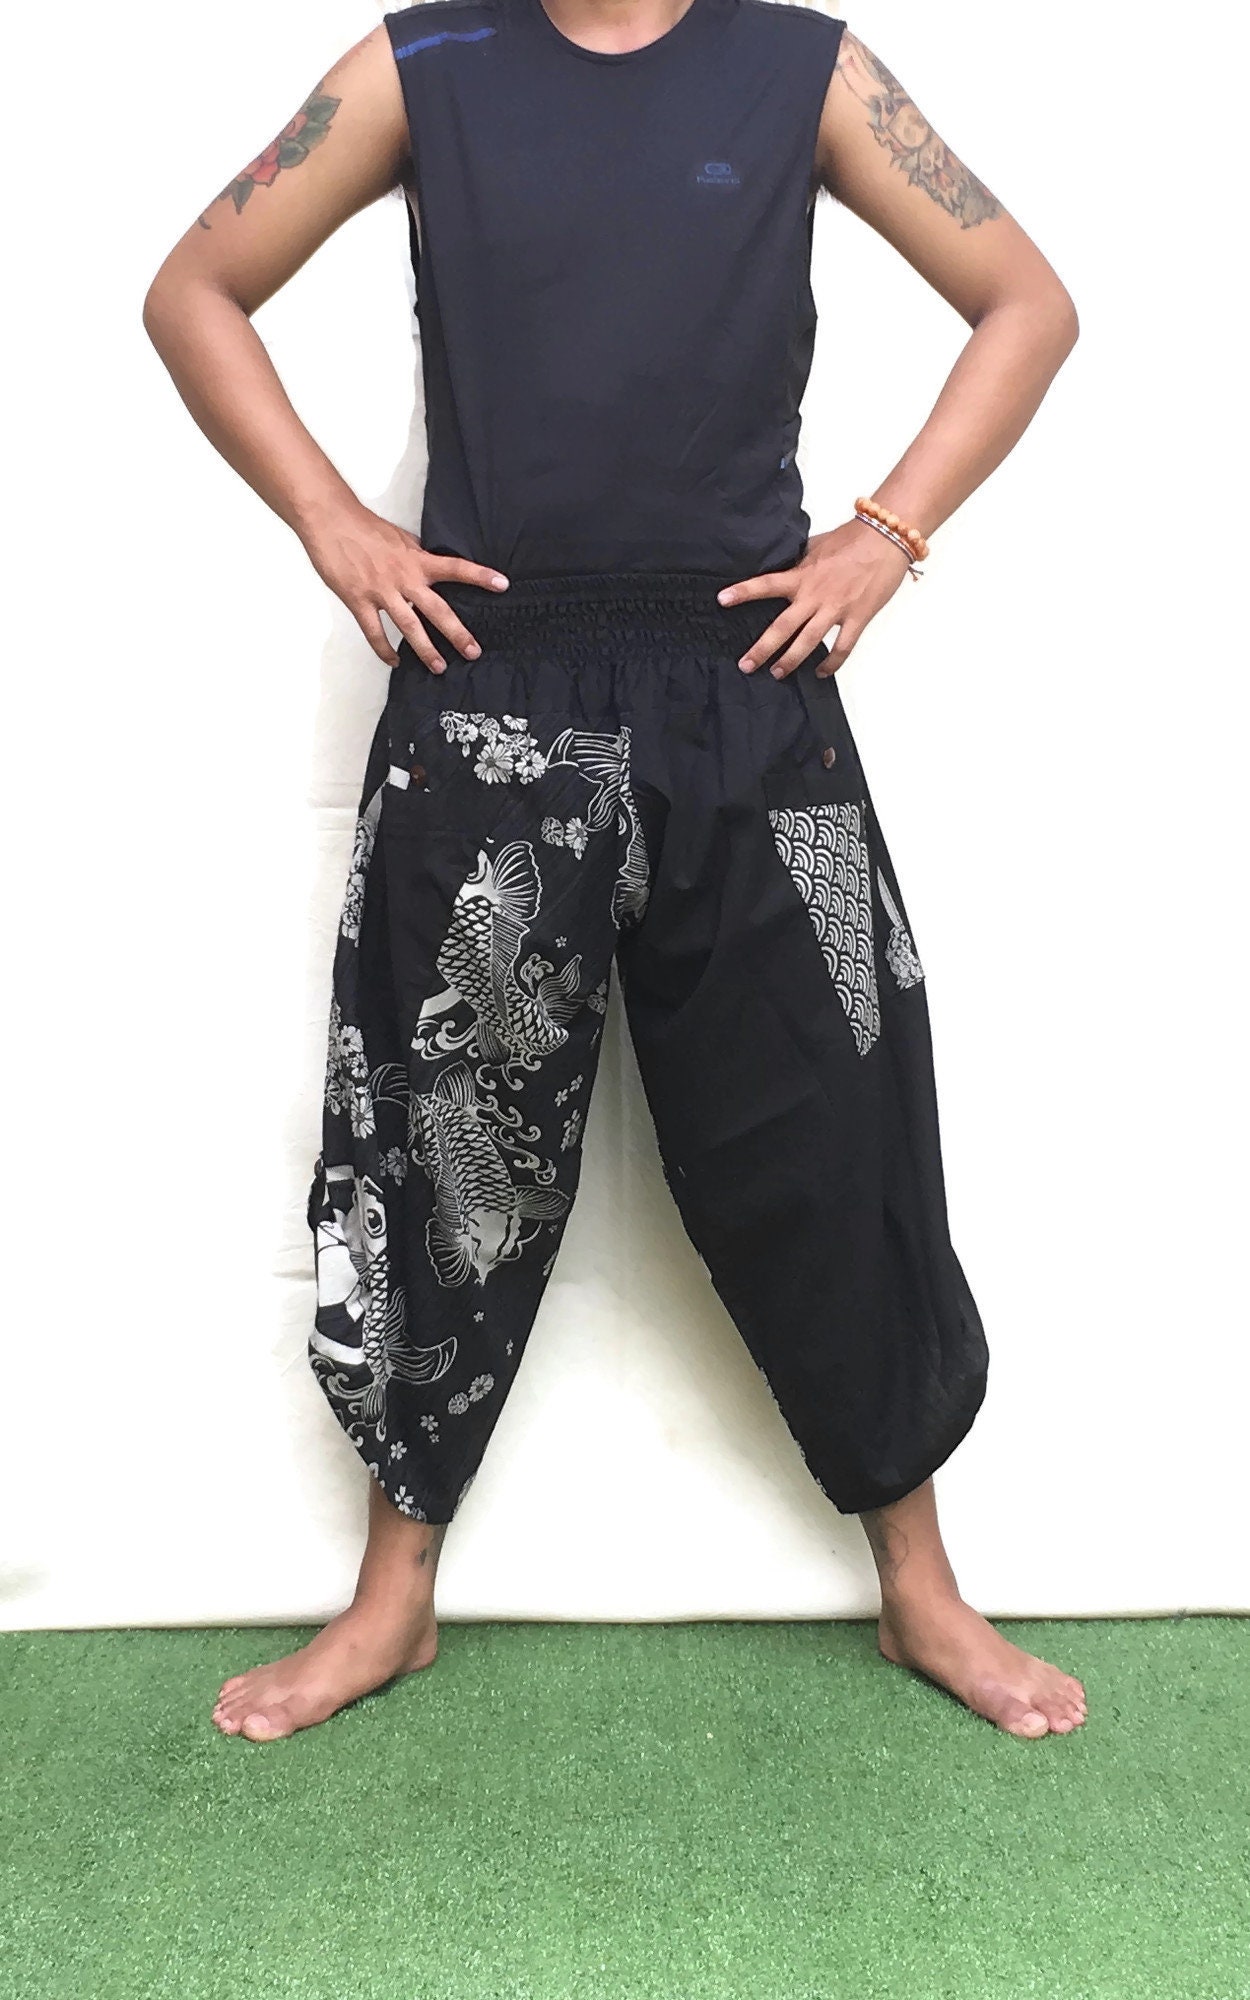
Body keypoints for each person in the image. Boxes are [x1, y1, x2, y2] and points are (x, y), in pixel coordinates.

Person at [144, 0, 1085, 1746]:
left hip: (756, 694)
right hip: (485, 693)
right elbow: (191, 288)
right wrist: (335, 522)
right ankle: (391, 1598)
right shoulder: (420, 64)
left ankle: (921, 1587)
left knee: (846, 1115)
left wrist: (882, 537)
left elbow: (1027, 302)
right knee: (439, 1139)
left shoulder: (807, 67)